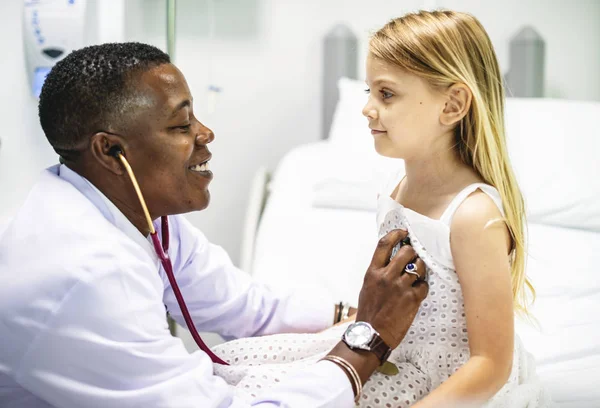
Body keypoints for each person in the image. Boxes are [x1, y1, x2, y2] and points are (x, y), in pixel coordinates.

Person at [0, 42, 428, 407]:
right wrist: (366, 340)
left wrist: (349, 313)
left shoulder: (135, 212)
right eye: (181, 124)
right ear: (111, 151)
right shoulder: (85, 276)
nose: (206, 133)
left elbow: (243, 305)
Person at [212, 10, 552, 407]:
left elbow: (491, 364)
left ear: (453, 104)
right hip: (388, 350)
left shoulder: (473, 218)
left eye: (386, 94)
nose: (368, 108)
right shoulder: (401, 187)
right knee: (229, 372)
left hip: (443, 382)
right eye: (368, 92)